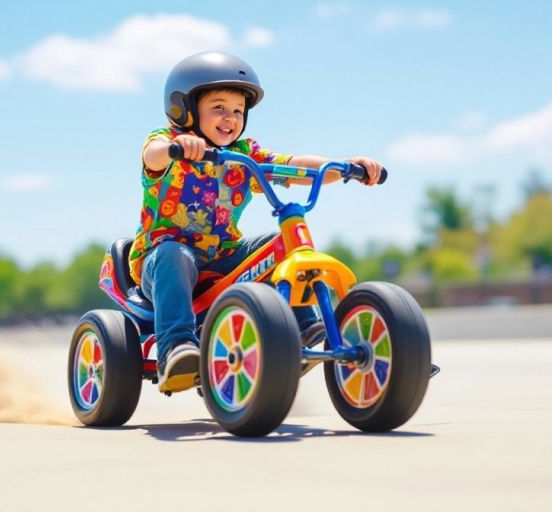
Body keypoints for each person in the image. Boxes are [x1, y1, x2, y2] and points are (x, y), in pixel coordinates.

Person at [129, 51, 383, 394]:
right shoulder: (168, 143)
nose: (229, 118)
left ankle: (303, 325)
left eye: (237, 111)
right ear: (184, 109)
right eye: (218, 107)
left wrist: (345, 166)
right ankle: (177, 347)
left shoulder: (244, 155)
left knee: (277, 245)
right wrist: (178, 145)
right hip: (163, 258)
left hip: (223, 256)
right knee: (174, 254)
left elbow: (293, 165)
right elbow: (153, 154)